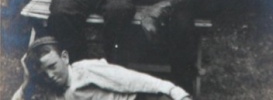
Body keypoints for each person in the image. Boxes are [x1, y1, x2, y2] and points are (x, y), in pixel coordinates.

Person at [12, 36, 191, 100]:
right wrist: (27, 82)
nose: (50, 75)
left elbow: (128, 79)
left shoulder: (85, 70)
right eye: (43, 73)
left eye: (52, 66)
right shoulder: (49, 92)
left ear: (65, 57)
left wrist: (172, 90)